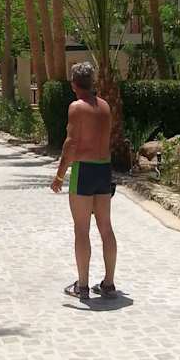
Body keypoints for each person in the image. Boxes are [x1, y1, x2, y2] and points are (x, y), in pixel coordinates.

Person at [50, 61, 117, 302]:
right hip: (104, 169)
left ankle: (83, 285)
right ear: (92, 81)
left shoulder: (76, 107)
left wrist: (59, 175)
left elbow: (70, 144)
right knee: (106, 227)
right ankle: (109, 284)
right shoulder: (105, 106)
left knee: (81, 229)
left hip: (84, 170)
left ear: (73, 84)